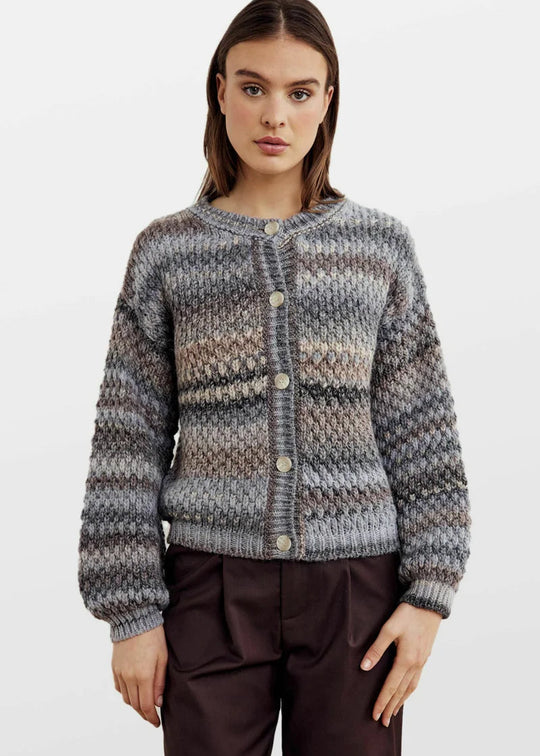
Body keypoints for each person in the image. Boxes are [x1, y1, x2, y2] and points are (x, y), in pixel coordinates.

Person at [77, 1, 472, 754]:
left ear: (328, 102)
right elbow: (127, 441)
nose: (275, 116)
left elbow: (422, 431)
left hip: (356, 592)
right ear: (220, 90)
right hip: (209, 588)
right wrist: (130, 614)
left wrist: (429, 597)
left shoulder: (378, 248)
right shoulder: (167, 253)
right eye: (253, 87)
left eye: (300, 92)